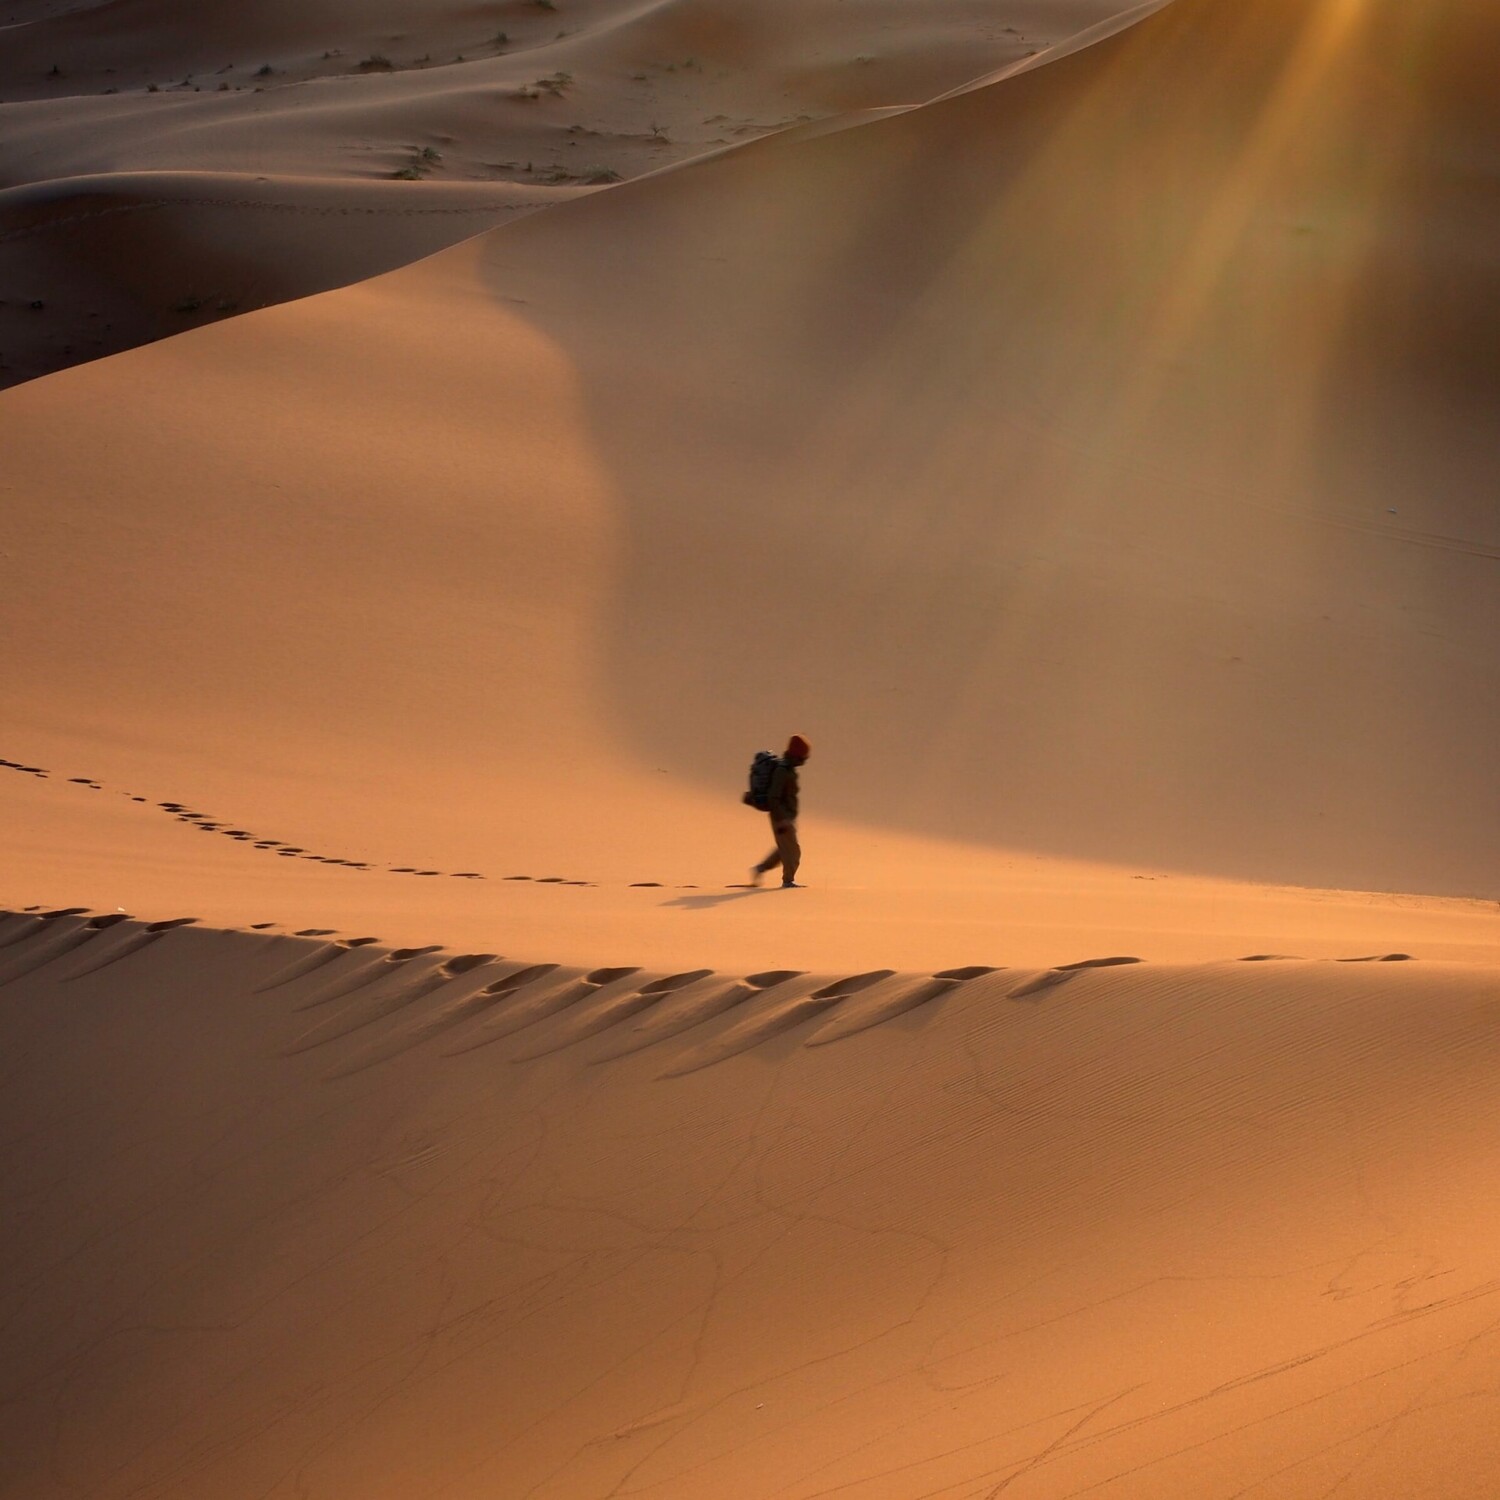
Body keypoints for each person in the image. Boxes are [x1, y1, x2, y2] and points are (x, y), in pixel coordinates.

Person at [750, 735, 809, 888]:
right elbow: (773, 797)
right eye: (803, 755)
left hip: (786, 816)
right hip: (781, 817)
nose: (805, 760)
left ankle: (760, 869)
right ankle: (788, 881)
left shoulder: (788, 769)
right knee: (793, 852)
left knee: (784, 850)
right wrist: (781, 819)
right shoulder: (782, 771)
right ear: (797, 754)